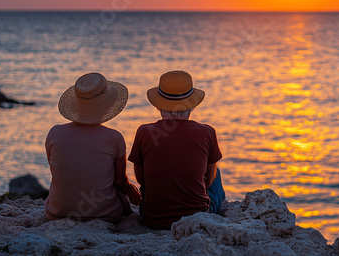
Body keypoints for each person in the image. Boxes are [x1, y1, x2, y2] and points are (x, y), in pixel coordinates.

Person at [128, 70, 225, 229]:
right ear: (192, 105)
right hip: (195, 218)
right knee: (216, 172)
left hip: (153, 218)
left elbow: (141, 180)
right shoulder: (207, 132)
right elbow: (208, 180)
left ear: (159, 105)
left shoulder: (144, 132)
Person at [44, 72, 141, 223]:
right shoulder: (114, 137)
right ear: (108, 105)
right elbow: (120, 181)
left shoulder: (55, 133)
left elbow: (57, 169)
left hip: (58, 213)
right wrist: (133, 194)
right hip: (104, 215)